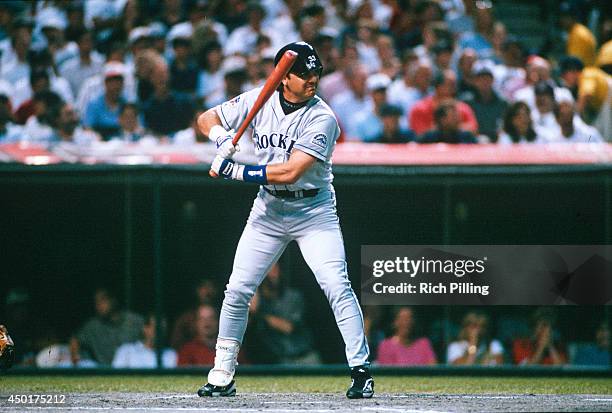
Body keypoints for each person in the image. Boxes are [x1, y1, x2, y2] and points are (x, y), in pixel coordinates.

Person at [196, 41, 373, 399]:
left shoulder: (322, 117)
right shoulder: (257, 99)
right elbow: (205, 118)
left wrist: (236, 170)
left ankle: (361, 370)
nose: (312, 80)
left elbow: (291, 171)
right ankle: (221, 374)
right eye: (304, 74)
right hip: (269, 209)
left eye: (316, 73)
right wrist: (221, 137)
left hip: (314, 211)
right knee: (238, 288)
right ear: (284, 77)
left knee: (336, 284)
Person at [246, 262, 320, 364]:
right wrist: (254, 289)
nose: (274, 275)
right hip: (281, 361)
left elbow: (287, 328)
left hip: (305, 358)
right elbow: (247, 325)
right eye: (269, 272)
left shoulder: (292, 297)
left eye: (276, 270)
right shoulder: (259, 301)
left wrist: (260, 314)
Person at [70, 288, 144, 366]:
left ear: (113, 300)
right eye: (96, 302)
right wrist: (75, 357)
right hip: (103, 373)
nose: (98, 306)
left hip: (130, 371)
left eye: (102, 300)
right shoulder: (93, 326)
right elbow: (75, 340)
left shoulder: (134, 321)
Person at [112, 313, 177, 368]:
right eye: (156, 328)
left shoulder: (171, 354)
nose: (160, 332)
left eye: (163, 329)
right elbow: (115, 378)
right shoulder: (126, 350)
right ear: (145, 328)